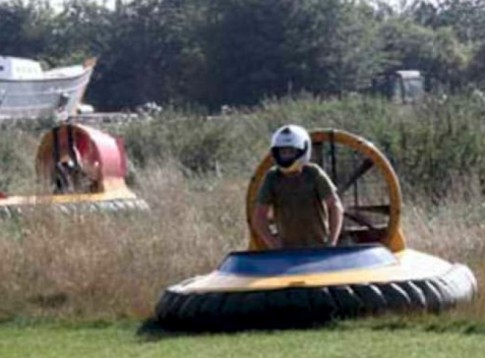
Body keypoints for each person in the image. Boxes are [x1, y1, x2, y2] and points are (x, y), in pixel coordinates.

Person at [252, 124, 344, 249]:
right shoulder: (272, 177)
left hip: (318, 247)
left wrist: (332, 242)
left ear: (303, 150)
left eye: (290, 151)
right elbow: (259, 217)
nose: (286, 156)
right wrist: (274, 244)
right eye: (283, 152)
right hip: (288, 252)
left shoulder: (314, 173)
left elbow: (335, 206)